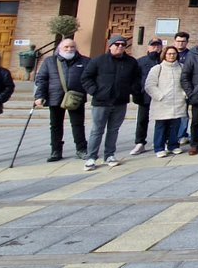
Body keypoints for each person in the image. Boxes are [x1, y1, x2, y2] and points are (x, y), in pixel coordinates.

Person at [81, 35, 143, 170]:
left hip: (120, 101)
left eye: (123, 44)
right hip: (101, 102)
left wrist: (132, 89)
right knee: (97, 130)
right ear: (110, 46)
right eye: (117, 44)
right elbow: (86, 77)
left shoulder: (131, 62)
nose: (120, 46)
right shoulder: (98, 61)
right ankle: (91, 157)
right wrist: (94, 91)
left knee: (113, 130)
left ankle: (109, 154)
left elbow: (137, 78)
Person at [33, 38, 88, 162]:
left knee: (78, 124)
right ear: (60, 48)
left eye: (72, 47)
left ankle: (81, 149)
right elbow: (41, 79)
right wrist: (39, 96)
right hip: (55, 97)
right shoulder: (50, 61)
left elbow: (90, 78)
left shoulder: (85, 61)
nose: (69, 49)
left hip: (76, 98)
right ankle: (56, 151)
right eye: (66, 47)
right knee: (56, 125)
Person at [145, 46, 186, 157]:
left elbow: (186, 83)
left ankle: (173, 145)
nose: (172, 56)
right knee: (161, 126)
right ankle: (159, 147)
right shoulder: (157, 68)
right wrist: (160, 96)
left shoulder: (182, 67)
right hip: (162, 102)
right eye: (169, 53)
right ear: (164, 55)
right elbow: (149, 85)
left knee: (175, 125)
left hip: (178, 101)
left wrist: (184, 95)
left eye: (174, 53)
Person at [131, 38, 163, 156]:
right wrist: (136, 93)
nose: (156, 48)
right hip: (145, 95)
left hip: (161, 96)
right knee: (142, 120)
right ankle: (140, 142)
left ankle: (159, 140)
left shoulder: (164, 60)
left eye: (158, 45)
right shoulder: (140, 62)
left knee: (162, 120)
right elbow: (135, 79)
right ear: (148, 47)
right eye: (153, 45)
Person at [171, 32, 192, 145]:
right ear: (175, 41)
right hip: (170, 88)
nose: (180, 43)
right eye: (178, 41)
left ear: (187, 42)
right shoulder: (169, 53)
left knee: (183, 112)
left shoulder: (190, 55)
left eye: (183, 41)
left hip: (185, 89)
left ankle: (182, 134)